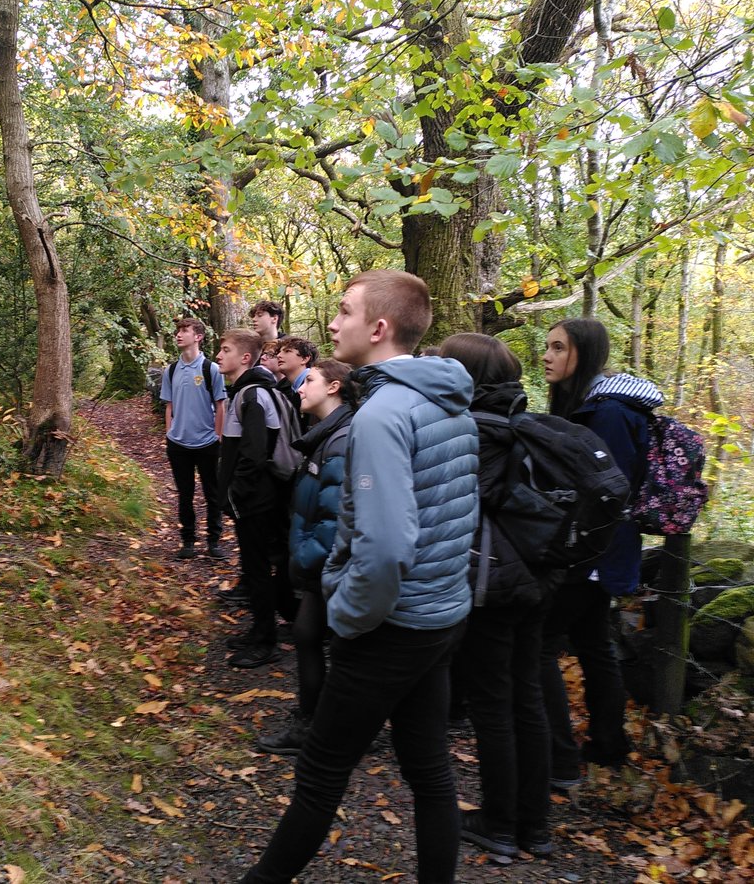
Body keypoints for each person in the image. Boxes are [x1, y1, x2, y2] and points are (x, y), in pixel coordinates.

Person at [240, 270, 478, 884]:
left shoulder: (381, 417)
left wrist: (345, 616)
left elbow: (386, 548)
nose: (333, 322)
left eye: (344, 311)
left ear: (378, 328)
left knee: (319, 775)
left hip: (391, 625)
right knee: (429, 770)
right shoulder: (449, 401)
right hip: (440, 616)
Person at [440, 333, 553, 860]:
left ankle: (501, 822)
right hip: (536, 575)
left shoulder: (472, 432)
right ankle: (535, 825)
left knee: (493, 701)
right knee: (526, 697)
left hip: (493, 583)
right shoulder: (523, 426)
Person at [540, 317, 659, 784]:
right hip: (595, 548)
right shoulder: (593, 406)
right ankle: (608, 744)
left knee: (540, 644)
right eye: (547, 346)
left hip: (592, 551)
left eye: (558, 348)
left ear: (583, 354)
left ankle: (558, 757)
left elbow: (608, 492)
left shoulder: (608, 413)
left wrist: (575, 548)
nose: (547, 356)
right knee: (593, 642)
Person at [255, 359, 354, 756]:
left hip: (327, 566)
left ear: (333, 387)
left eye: (309, 380)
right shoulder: (325, 433)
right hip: (320, 563)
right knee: (308, 635)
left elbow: (335, 515)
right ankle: (316, 720)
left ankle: (323, 728)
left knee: (317, 638)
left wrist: (305, 559)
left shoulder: (342, 440)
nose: (299, 387)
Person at [215, 328, 286, 669]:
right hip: (249, 500)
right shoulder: (244, 392)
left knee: (258, 570)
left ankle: (265, 641)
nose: (218, 355)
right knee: (252, 566)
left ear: (245, 357)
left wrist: (235, 493)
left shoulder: (253, 395)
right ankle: (259, 631)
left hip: (257, 501)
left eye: (225, 350)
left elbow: (255, 454)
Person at [159, 318, 227, 560]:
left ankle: (214, 541)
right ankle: (188, 540)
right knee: (184, 493)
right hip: (178, 444)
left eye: (184, 331)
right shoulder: (171, 370)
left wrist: (218, 436)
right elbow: (169, 405)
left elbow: (221, 405)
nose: (178, 335)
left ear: (198, 336)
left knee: (213, 493)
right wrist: (169, 433)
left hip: (208, 443)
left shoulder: (212, 369)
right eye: (177, 330)